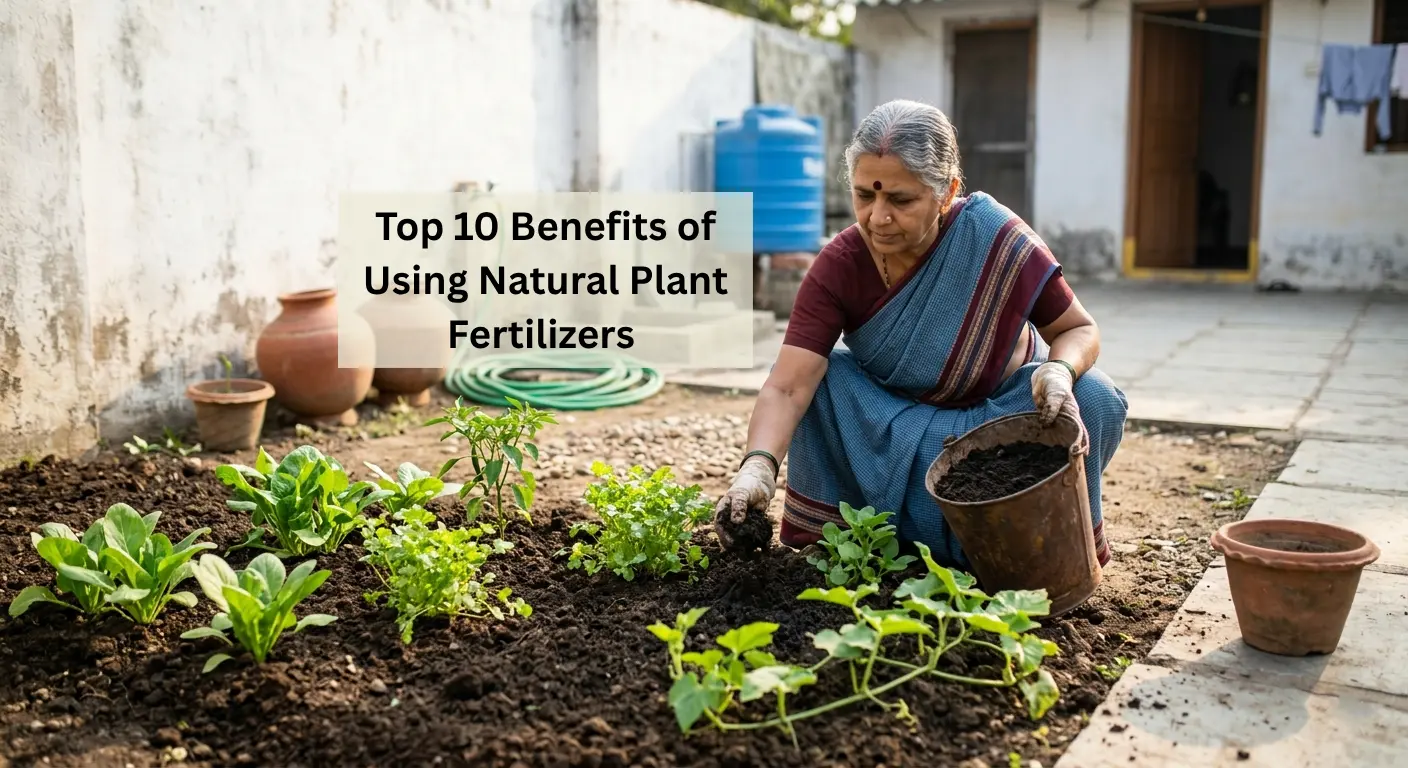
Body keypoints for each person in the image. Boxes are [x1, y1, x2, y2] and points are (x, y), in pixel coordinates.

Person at [713, 100, 1128, 572]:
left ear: (947, 191)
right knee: (823, 381)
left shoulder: (993, 237)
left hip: (998, 431)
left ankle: (1039, 547)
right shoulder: (841, 265)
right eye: (864, 196)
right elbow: (788, 385)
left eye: (901, 200)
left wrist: (1059, 368)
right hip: (891, 434)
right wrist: (757, 469)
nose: (877, 217)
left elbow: (1077, 328)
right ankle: (871, 541)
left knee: (1093, 396)